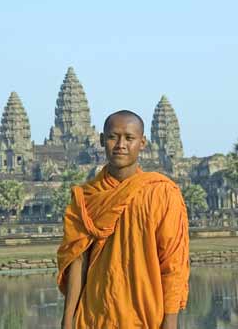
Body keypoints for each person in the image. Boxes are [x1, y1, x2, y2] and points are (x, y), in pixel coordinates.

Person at [57, 110, 189, 329]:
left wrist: (171, 321)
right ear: (101, 139)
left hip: (147, 316)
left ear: (143, 142)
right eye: (113, 137)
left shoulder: (162, 193)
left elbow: (173, 264)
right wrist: (67, 320)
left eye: (129, 138)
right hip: (94, 317)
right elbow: (77, 261)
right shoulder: (85, 197)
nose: (120, 144)